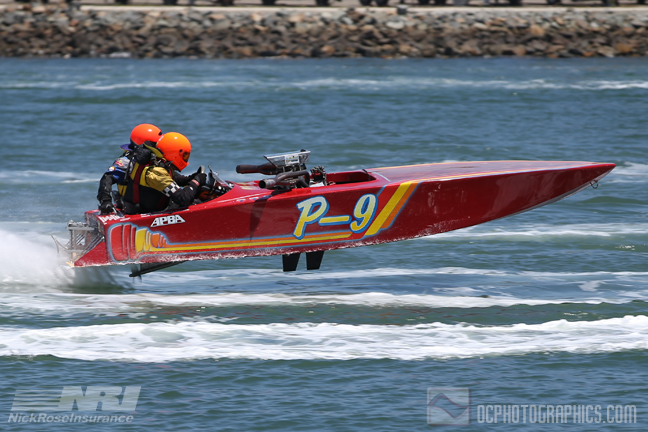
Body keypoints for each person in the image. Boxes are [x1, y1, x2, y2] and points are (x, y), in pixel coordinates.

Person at [119, 132, 207, 215]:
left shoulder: (157, 163)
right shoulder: (156, 172)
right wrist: (196, 182)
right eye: (185, 155)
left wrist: (189, 179)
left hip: (150, 207)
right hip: (145, 213)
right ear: (174, 153)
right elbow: (182, 198)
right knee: (196, 203)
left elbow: (171, 179)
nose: (186, 159)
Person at [97, 124, 163, 214]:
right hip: (134, 206)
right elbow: (107, 178)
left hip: (153, 201)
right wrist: (105, 201)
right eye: (156, 144)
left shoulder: (156, 158)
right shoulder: (127, 161)